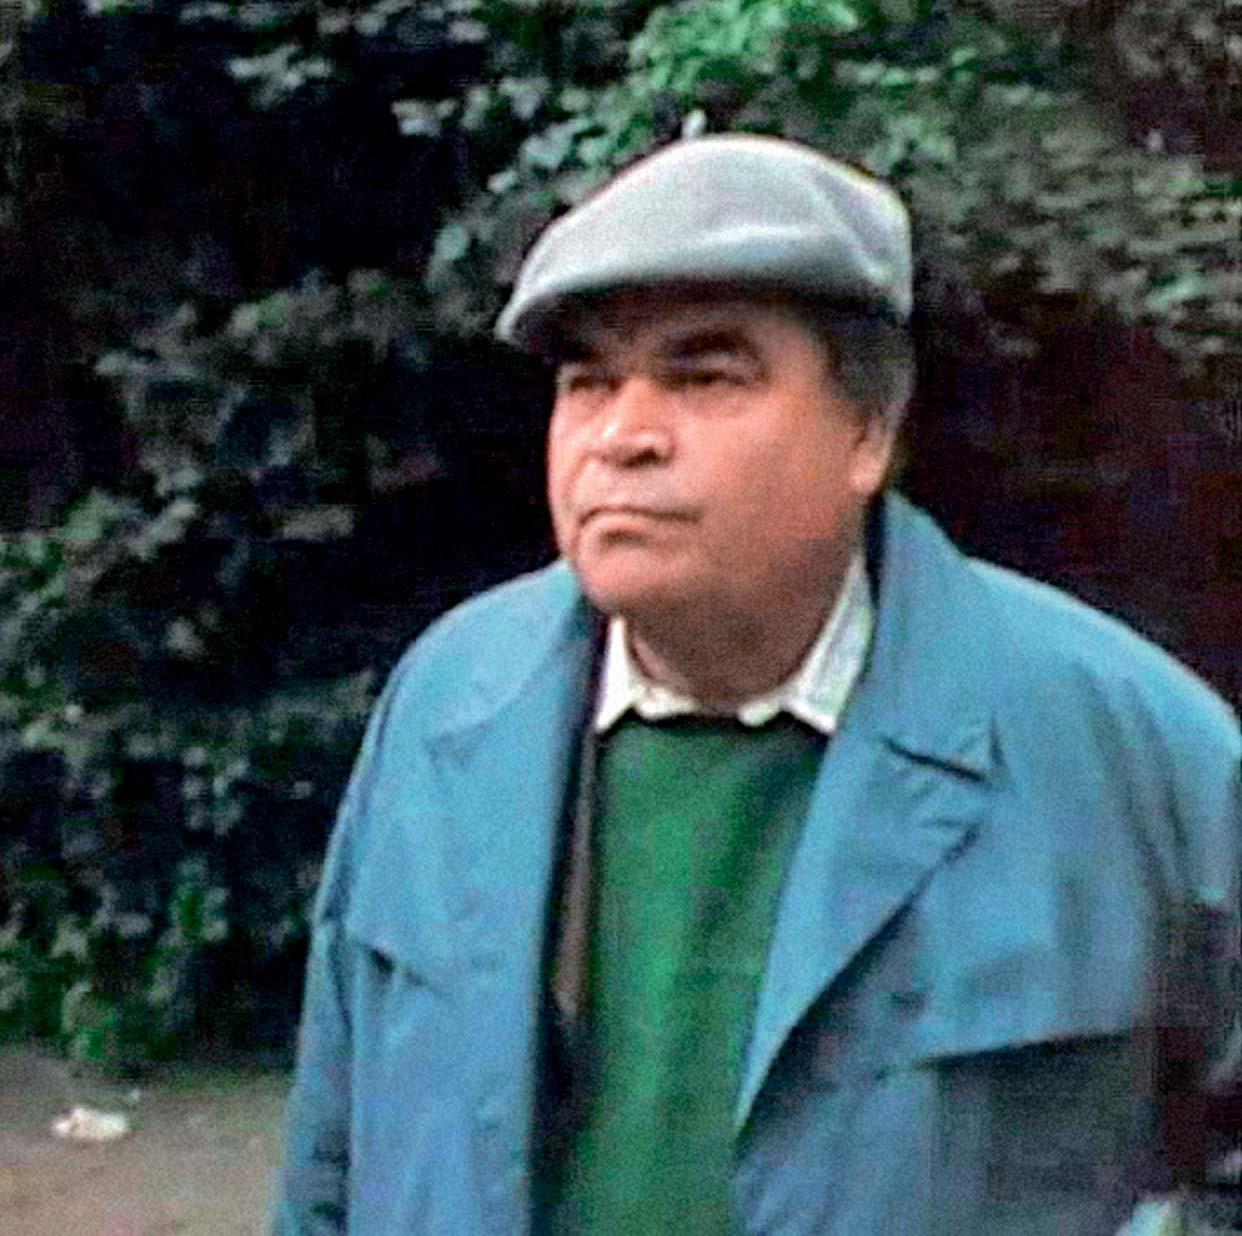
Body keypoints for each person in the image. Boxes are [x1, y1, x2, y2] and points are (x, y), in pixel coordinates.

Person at [273, 134, 1241, 1235]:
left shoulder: (1125, 747)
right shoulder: (450, 706)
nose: (624, 436)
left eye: (706, 376)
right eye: (589, 382)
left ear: (869, 431)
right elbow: (333, 1156)